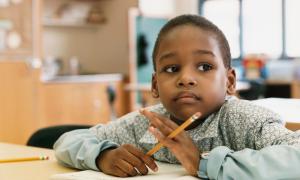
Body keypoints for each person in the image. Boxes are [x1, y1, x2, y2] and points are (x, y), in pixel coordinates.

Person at [54, 14, 300, 179]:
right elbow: (68, 140)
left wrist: (202, 163)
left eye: (204, 67)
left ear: (230, 81)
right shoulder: (148, 124)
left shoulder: (242, 120)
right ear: (155, 85)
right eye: (171, 69)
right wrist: (103, 156)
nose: (186, 78)